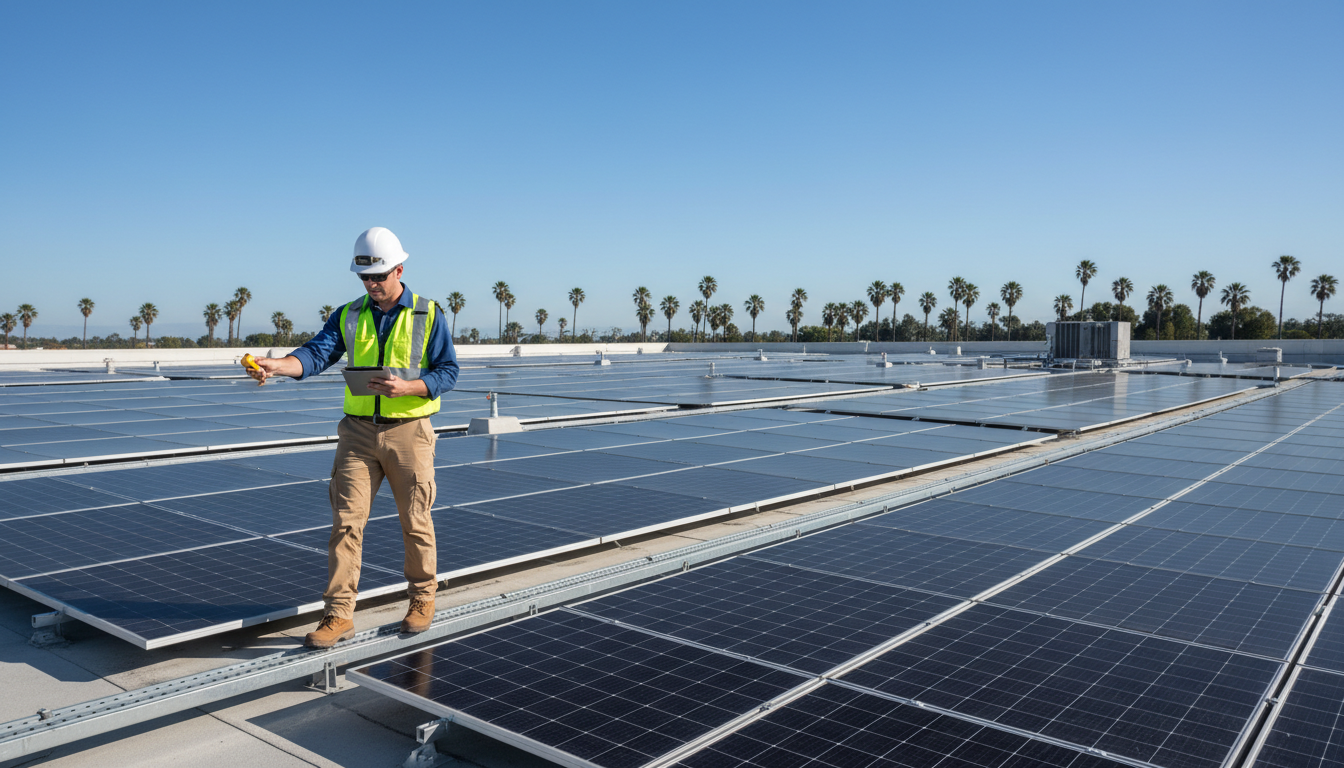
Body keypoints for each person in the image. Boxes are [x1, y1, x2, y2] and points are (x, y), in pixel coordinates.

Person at [246, 227, 459, 648]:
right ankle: (339, 615)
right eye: (365, 278)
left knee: (415, 520)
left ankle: (421, 600)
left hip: (409, 434)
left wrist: (409, 388)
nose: (372, 285)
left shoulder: (428, 313)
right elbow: (316, 353)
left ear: (399, 269)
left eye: (379, 276)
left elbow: (448, 372)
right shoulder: (348, 314)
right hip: (357, 435)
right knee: (345, 524)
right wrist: (276, 365)